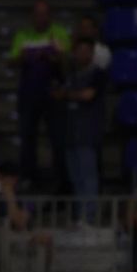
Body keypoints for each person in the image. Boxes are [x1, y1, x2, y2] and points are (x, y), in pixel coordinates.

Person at [9, 1, 71, 189]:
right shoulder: (23, 35)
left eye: (44, 14)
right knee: (27, 137)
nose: (41, 18)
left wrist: (54, 56)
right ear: (32, 16)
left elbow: (69, 63)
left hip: (53, 93)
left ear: (50, 16)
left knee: (58, 138)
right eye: (37, 14)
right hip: (29, 93)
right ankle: (28, 177)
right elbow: (11, 62)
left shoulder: (60, 33)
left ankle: (61, 180)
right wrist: (25, 57)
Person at [54, 38, 106, 214]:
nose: (83, 54)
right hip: (70, 134)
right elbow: (59, 92)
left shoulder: (98, 74)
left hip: (87, 134)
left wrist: (67, 95)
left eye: (86, 51)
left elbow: (87, 95)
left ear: (92, 54)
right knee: (75, 178)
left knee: (88, 177)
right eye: (79, 51)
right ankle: (79, 216)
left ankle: (89, 216)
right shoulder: (71, 75)